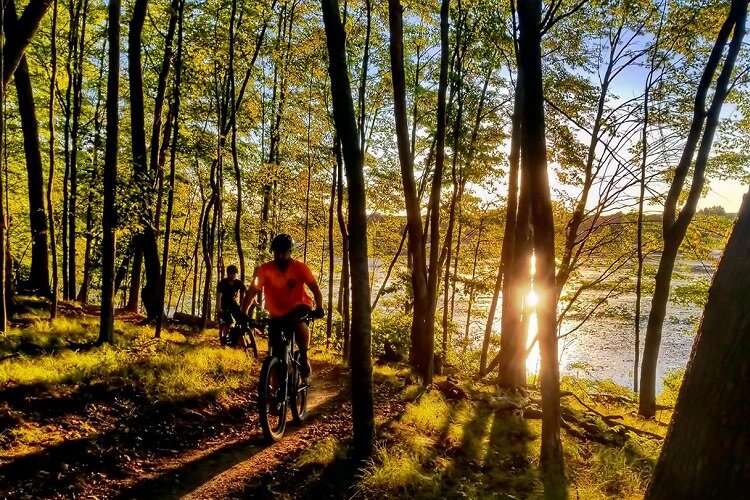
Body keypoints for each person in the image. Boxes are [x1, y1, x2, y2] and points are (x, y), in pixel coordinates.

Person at [243, 234, 324, 379]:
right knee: (275, 351)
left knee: (299, 324)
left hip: (299, 307)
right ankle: (274, 393)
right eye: (276, 252)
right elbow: (251, 292)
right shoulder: (264, 270)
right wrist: (243, 314)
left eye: (283, 252)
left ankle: (304, 356)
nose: (279, 255)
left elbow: (315, 289)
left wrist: (319, 308)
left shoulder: (301, 268)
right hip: (276, 314)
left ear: (290, 251)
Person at [216, 265, 247, 344]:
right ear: (228, 274)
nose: (233, 275)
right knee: (228, 321)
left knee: (241, 319)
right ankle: (224, 337)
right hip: (223, 304)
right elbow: (219, 296)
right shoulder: (223, 283)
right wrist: (219, 308)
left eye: (234, 273)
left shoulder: (238, 283)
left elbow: (247, 292)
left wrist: (254, 302)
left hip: (233, 303)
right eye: (231, 273)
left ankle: (239, 338)